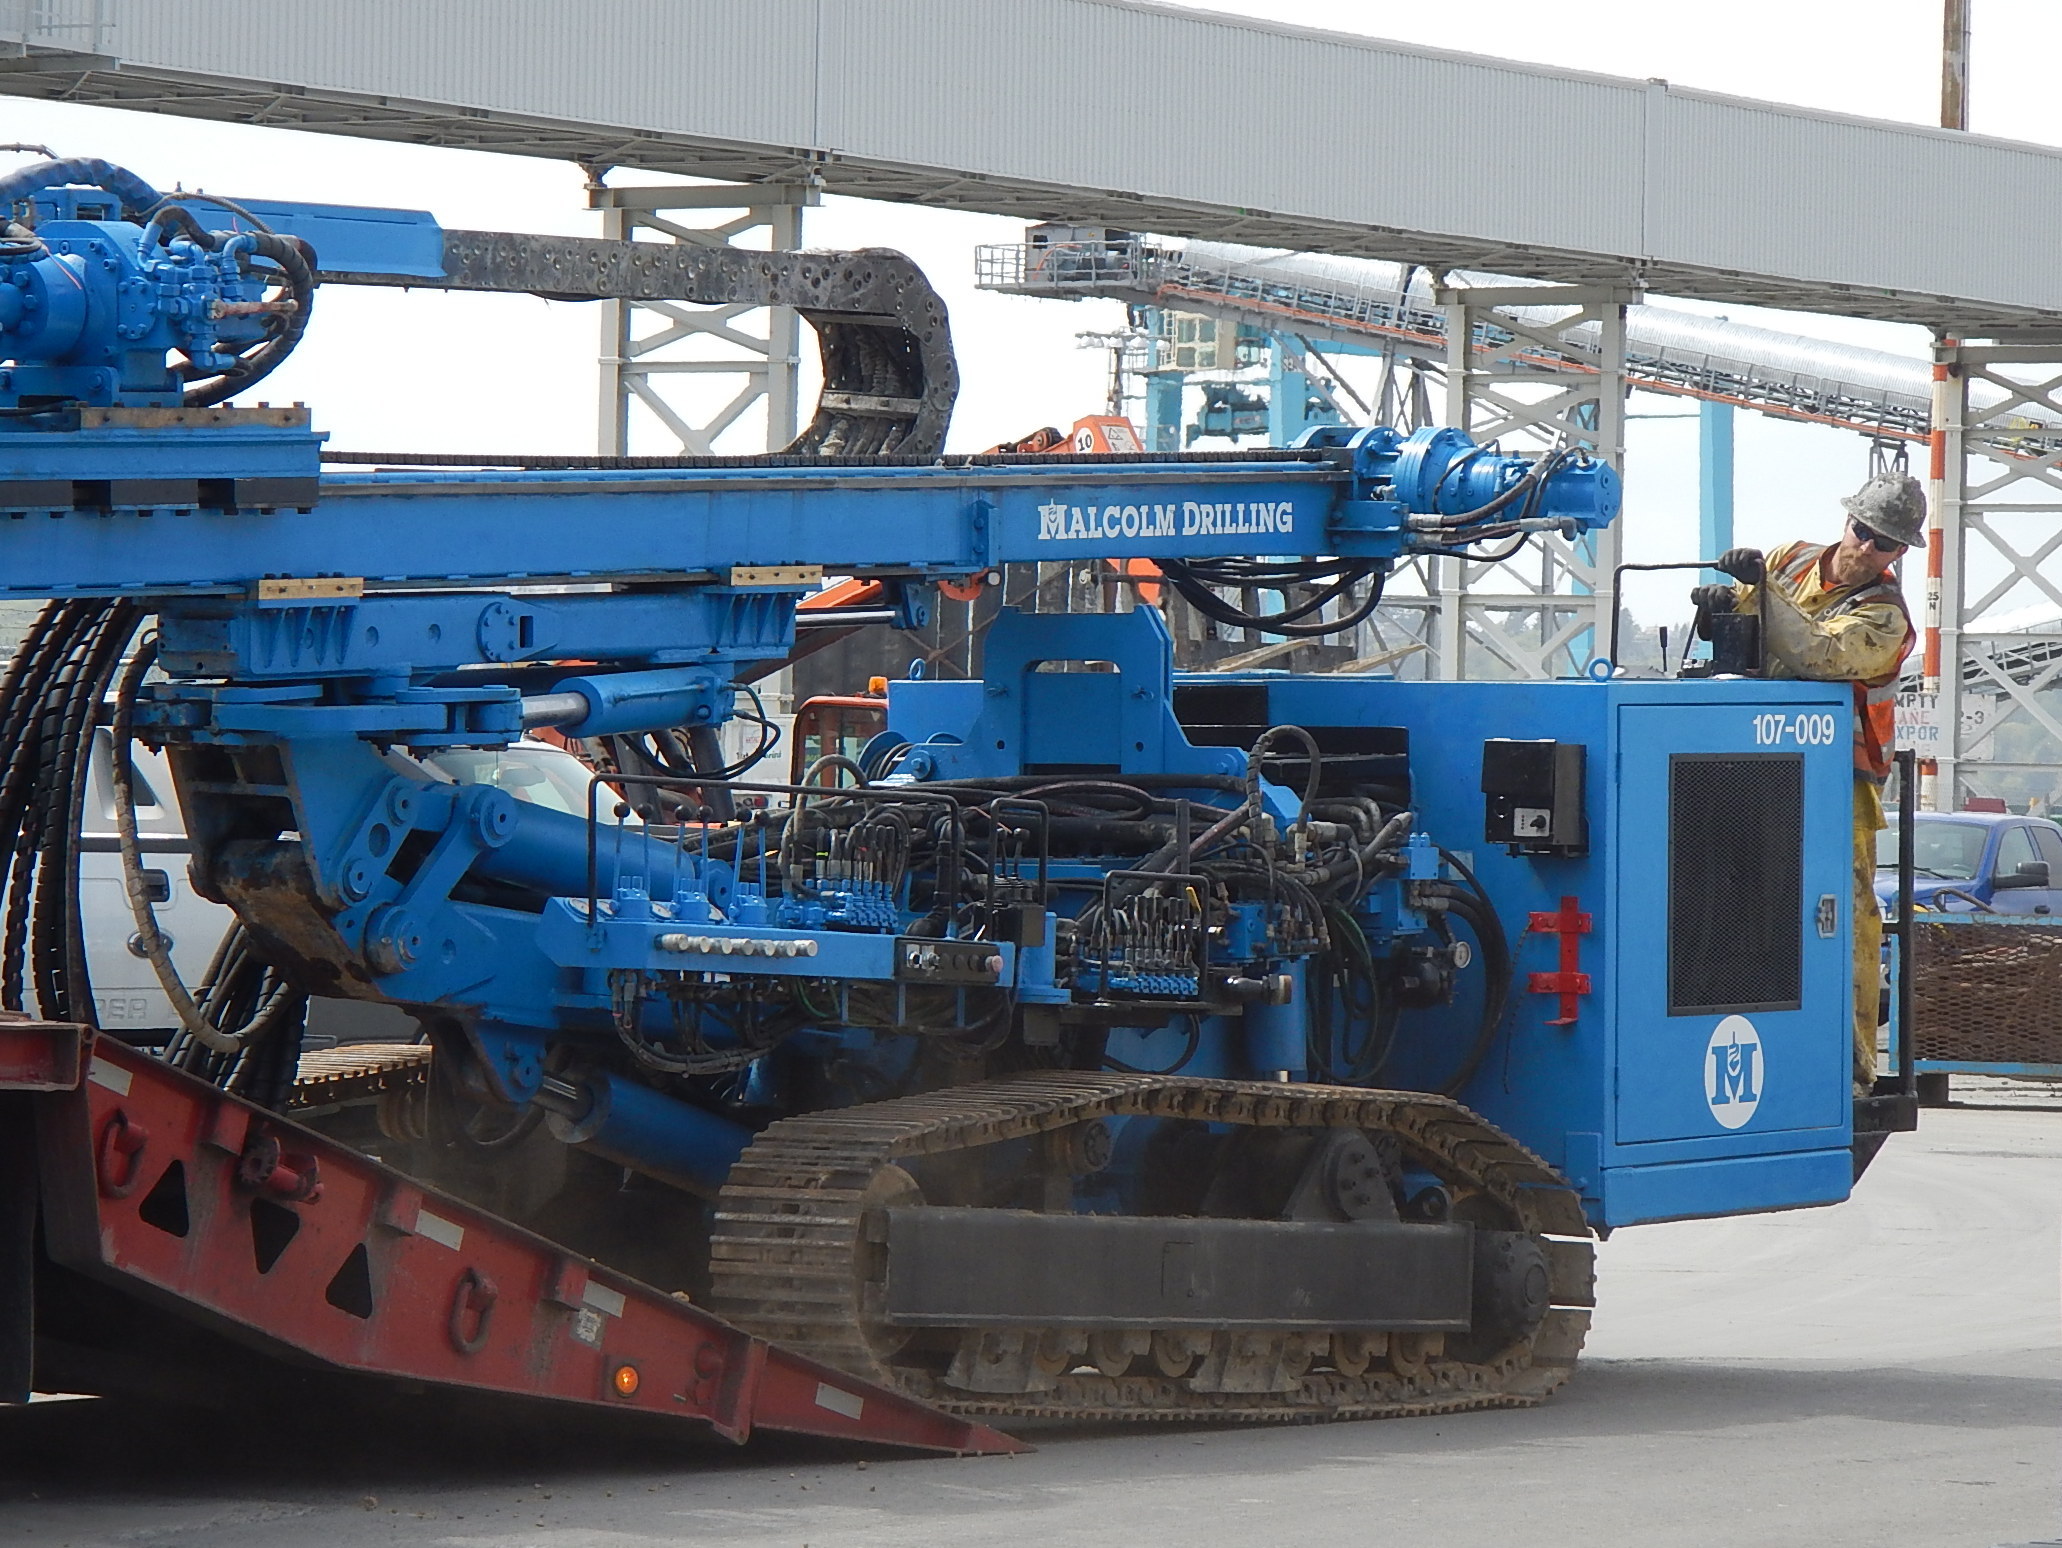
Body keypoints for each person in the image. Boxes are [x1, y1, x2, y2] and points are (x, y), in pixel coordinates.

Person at [1691, 473, 1922, 1094]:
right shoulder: (1789, 560)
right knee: (1729, 897)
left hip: (1835, 782)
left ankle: (1851, 1065)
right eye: (1864, 532)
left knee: (1845, 913)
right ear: (1846, 522)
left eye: (1885, 545)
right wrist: (1722, 604)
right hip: (1749, 767)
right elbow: (1749, 627)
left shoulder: (1884, 615)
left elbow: (1821, 656)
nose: (1867, 549)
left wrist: (1758, 593)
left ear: (1899, 554)